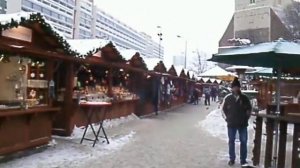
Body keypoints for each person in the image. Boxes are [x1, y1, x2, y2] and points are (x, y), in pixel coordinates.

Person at [222, 77, 252, 166]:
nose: (235, 89)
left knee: (243, 141)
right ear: (232, 88)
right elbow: (223, 110)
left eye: (237, 87)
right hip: (231, 123)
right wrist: (227, 118)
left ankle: (243, 160)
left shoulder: (244, 98)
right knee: (231, 141)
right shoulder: (228, 98)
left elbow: (249, 109)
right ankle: (232, 159)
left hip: (242, 124)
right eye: (234, 87)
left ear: (239, 88)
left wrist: (246, 118)